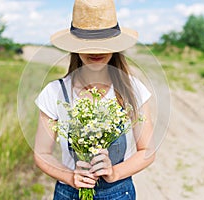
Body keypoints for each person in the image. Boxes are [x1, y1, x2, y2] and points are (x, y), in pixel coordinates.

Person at [34, 0, 155, 199]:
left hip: (118, 192)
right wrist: (71, 177)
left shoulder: (131, 89)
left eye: (103, 44)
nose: (95, 52)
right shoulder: (55, 92)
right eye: (87, 44)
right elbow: (42, 153)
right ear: (75, 46)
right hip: (68, 192)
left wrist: (114, 172)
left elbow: (147, 150)